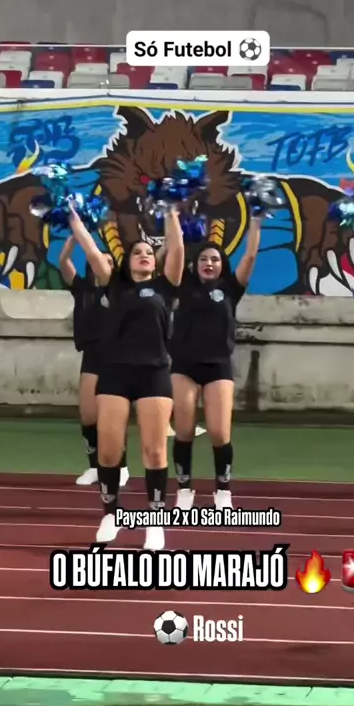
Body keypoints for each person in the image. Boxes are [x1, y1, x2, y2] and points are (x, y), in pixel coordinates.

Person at [68, 206, 184, 550]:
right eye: (137, 252)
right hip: (115, 373)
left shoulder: (165, 286)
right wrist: (72, 216)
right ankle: (110, 514)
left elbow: (177, 247)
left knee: (154, 451)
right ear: (127, 261)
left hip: (153, 374)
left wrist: (171, 210)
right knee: (108, 451)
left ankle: (155, 523)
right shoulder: (114, 285)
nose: (144, 255)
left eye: (149, 252)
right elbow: (90, 249)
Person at [170, 217, 261, 510]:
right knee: (184, 432)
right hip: (184, 366)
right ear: (195, 264)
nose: (209, 263)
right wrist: (172, 215)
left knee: (220, 433)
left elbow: (250, 256)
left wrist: (256, 221)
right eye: (204, 259)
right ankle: (184, 490)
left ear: (223, 265)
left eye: (215, 259)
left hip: (218, 366)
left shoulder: (231, 288)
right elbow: (174, 251)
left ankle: (223, 491)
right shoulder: (182, 284)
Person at [59, 236, 130, 488]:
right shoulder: (83, 289)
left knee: (112, 417)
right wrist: (73, 238)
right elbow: (64, 262)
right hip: (91, 356)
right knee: (88, 416)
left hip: (117, 357)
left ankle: (121, 466)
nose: (104, 264)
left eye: (109, 261)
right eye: (99, 260)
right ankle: (94, 467)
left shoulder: (120, 291)